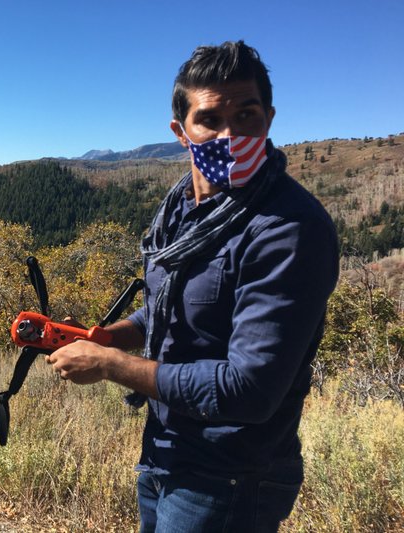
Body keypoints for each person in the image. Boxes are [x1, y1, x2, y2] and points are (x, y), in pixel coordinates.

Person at [46, 41, 339, 532]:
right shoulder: (182, 212)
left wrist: (111, 365)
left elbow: (249, 389)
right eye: (210, 119)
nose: (231, 134)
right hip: (167, 449)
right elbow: (167, 310)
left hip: (231, 475)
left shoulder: (289, 228)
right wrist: (106, 337)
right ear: (181, 132)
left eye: (247, 116)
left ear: (268, 117)